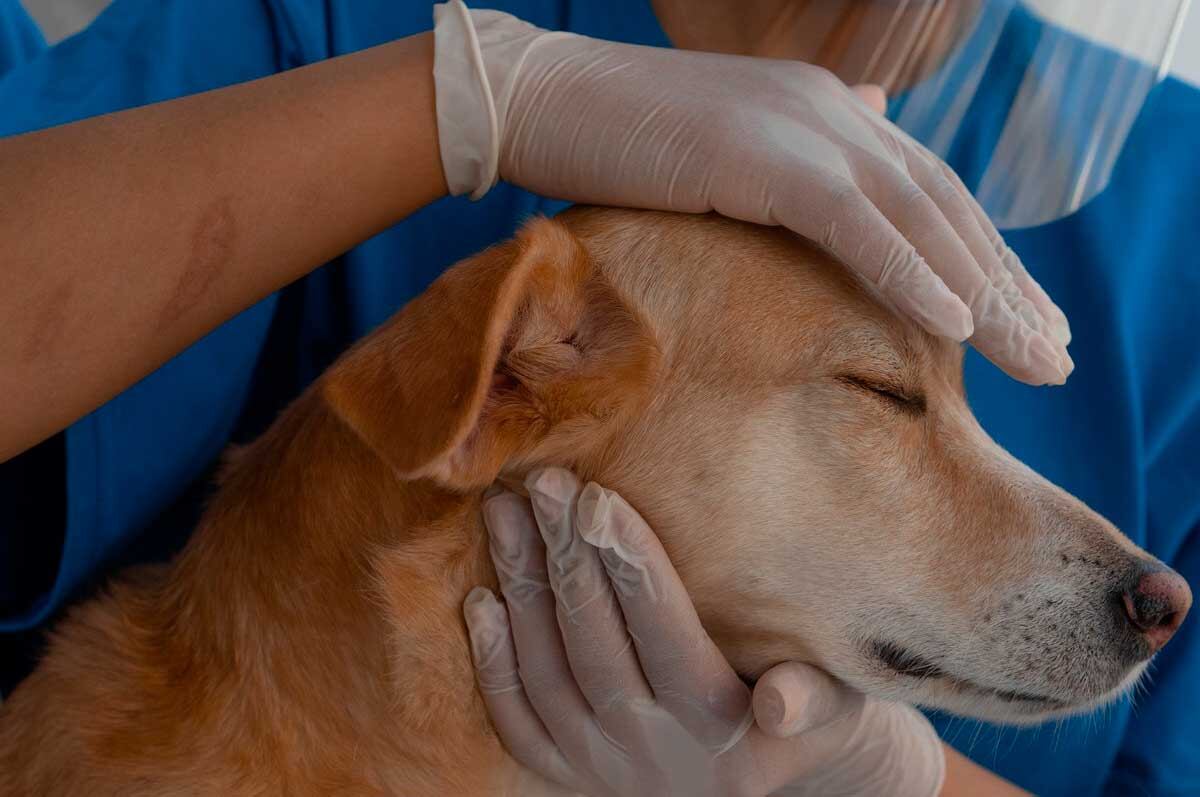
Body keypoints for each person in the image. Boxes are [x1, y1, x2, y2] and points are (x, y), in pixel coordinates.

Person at [0, 0, 1192, 794]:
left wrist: (890, 777)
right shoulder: (321, 19)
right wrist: (466, 98)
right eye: (883, 389)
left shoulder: (1170, 205)